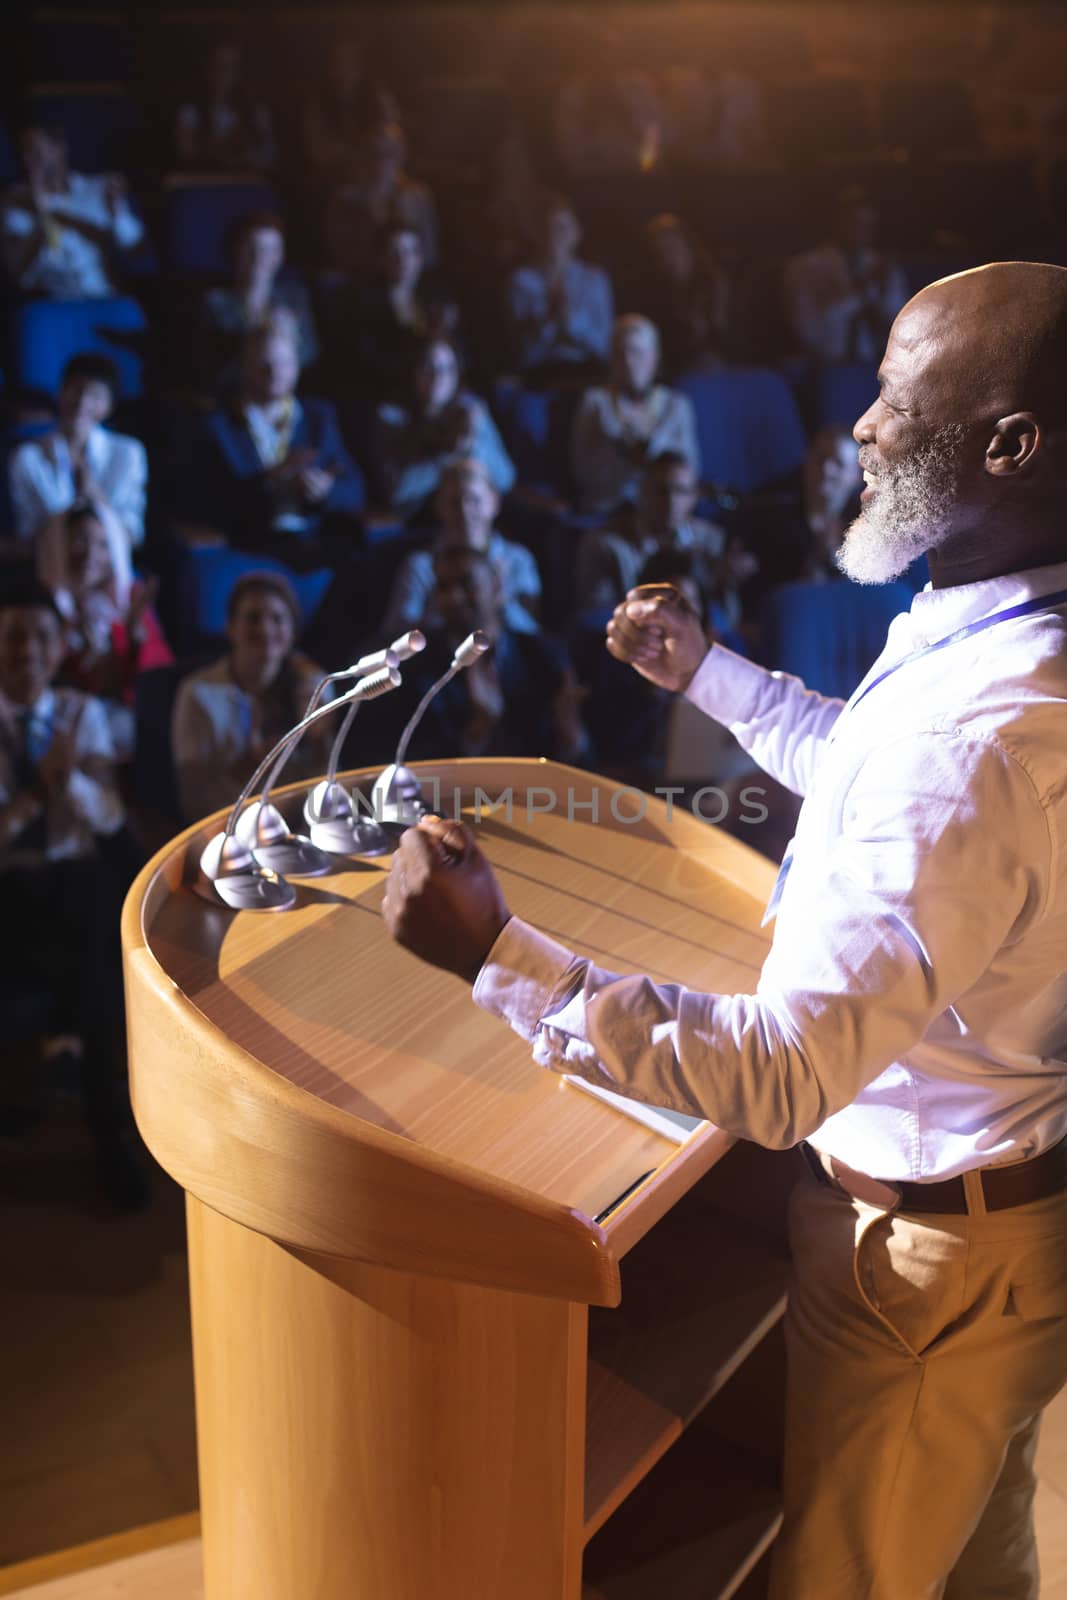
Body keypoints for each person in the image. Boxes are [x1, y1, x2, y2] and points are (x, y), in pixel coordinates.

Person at [382, 260, 1067, 1598]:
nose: (858, 425)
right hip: (994, 1241)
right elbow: (868, 776)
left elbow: (781, 1075)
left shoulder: (971, 734)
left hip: (919, 1271)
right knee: (978, 1558)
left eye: (890, 392)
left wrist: (499, 958)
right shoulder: (997, 639)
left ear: (1006, 442)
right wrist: (706, 673)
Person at [0, 577, 145, 1207]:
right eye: (12, 637)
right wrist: (39, 791)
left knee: (96, 952)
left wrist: (76, 787)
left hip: (74, 882)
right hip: (8, 887)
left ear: (59, 649)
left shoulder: (84, 715)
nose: (26, 649)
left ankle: (109, 1129)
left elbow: (108, 819)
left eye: (39, 636)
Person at [365, 545, 583, 765]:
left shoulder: (543, 657)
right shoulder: (416, 669)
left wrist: (571, 736)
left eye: (466, 583)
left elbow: (578, 763)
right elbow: (409, 764)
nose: (453, 598)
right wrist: (477, 731)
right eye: (443, 587)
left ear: (497, 587)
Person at [171, 571, 331, 824]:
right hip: (230, 831)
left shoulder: (315, 685)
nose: (265, 629)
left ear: (292, 632)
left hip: (305, 823)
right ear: (230, 627)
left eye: (278, 619)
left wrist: (319, 739)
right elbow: (193, 797)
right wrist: (249, 766)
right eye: (253, 618)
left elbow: (333, 782)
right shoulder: (197, 694)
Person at [186, 325, 365, 551]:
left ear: (297, 366)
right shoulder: (219, 426)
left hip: (312, 543)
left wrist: (324, 492)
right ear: (244, 366)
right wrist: (270, 481)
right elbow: (203, 504)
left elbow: (355, 488)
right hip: (249, 544)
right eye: (264, 363)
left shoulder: (317, 418)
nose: (275, 372)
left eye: (285, 362)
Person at [37, 502, 172, 759]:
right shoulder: (43, 606)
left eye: (102, 544)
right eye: (79, 540)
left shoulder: (130, 598)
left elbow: (155, 681)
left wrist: (134, 640)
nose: (89, 553)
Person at [576, 451, 747, 624]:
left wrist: (724, 583)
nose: (670, 501)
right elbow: (597, 615)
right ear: (642, 492)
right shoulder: (604, 544)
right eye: (661, 491)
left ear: (694, 498)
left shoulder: (710, 539)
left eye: (681, 491)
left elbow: (729, 620)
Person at [382, 457, 540, 638]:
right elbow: (395, 634)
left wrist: (498, 602)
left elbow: (531, 631)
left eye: (475, 500)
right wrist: (445, 607)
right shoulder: (420, 565)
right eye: (454, 502)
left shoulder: (518, 560)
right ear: (439, 506)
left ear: (494, 502)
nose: (464, 512)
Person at [9, 353, 147, 552]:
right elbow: (29, 533)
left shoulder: (128, 454)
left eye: (96, 396)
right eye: (75, 390)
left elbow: (132, 534)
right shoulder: (27, 457)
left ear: (110, 405)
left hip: (110, 566)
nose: (82, 403)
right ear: (60, 391)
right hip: (50, 564)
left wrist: (94, 495)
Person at [571, 316, 700, 515]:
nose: (629, 362)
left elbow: (690, 469)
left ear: (654, 358)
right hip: (610, 507)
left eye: (637, 353)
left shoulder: (676, 405)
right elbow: (582, 471)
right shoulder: (595, 403)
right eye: (620, 353)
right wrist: (619, 454)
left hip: (663, 511)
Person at [2, 122, 144, 300]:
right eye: (24, 153)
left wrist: (118, 213)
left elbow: (135, 252)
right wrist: (41, 213)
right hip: (53, 304)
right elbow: (19, 275)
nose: (28, 161)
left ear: (59, 149)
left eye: (36, 152)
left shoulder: (97, 190)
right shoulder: (14, 202)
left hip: (106, 296)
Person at [372, 337, 515, 513]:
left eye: (447, 369)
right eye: (428, 368)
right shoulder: (391, 417)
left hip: (472, 513)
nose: (438, 377)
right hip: (421, 518)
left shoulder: (470, 411)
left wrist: (472, 439)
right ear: (412, 371)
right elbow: (396, 490)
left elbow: (506, 479)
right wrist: (449, 454)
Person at [196, 211, 318, 395]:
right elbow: (208, 367)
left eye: (270, 250)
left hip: (285, 395)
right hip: (233, 397)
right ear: (237, 250)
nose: (260, 257)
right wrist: (254, 344)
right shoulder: (215, 303)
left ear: (280, 255)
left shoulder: (294, 298)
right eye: (252, 248)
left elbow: (310, 355)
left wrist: (292, 337)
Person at [784, 185, 908, 365]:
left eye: (868, 225)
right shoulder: (805, 268)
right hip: (824, 368)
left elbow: (901, 329)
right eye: (854, 223)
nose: (861, 232)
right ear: (835, 222)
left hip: (877, 366)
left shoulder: (883, 268)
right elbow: (810, 334)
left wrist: (878, 299)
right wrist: (860, 292)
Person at [348, 222, 460, 403]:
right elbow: (368, 357)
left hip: (439, 384)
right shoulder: (365, 301)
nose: (404, 259)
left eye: (411, 251)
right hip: (392, 389)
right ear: (381, 258)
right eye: (395, 252)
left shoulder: (436, 295)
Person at [504, 193, 613, 374]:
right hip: (539, 376)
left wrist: (573, 322)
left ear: (577, 233)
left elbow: (605, 347)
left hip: (588, 373)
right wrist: (548, 322)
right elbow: (521, 354)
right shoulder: (521, 282)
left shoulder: (595, 279)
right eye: (549, 227)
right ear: (537, 233)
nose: (555, 235)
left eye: (563, 227)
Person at [324, 118, 438, 274]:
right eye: (376, 153)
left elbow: (429, 254)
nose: (382, 161)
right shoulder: (345, 200)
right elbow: (341, 257)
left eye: (390, 152)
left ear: (401, 155)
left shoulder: (418, 197)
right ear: (364, 154)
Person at [635, 213, 732, 375]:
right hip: (676, 370)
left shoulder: (714, 283)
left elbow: (724, 336)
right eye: (661, 253)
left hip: (716, 365)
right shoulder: (656, 298)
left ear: (689, 247)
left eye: (672, 248)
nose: (668, 257)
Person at [301, 34, 399, 183]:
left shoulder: (379, 99)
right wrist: (358, 148)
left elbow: (393, 139)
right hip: (334, 180)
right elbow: (319, 152)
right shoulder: (318, 104)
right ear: (330, 66)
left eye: (351, 60)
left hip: (376, 176)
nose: (345, 67)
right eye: (339, 60)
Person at [172, 41, 275, 173]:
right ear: (208, 70)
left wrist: (247, 157)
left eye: (231, 67)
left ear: (239, 73)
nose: (224, 74)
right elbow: (185, 156)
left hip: (247, 184)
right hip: (205, 185)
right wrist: (222, 147)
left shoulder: (257, 113)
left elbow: (270, 158)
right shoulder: (190, 113)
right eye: (219, 66)